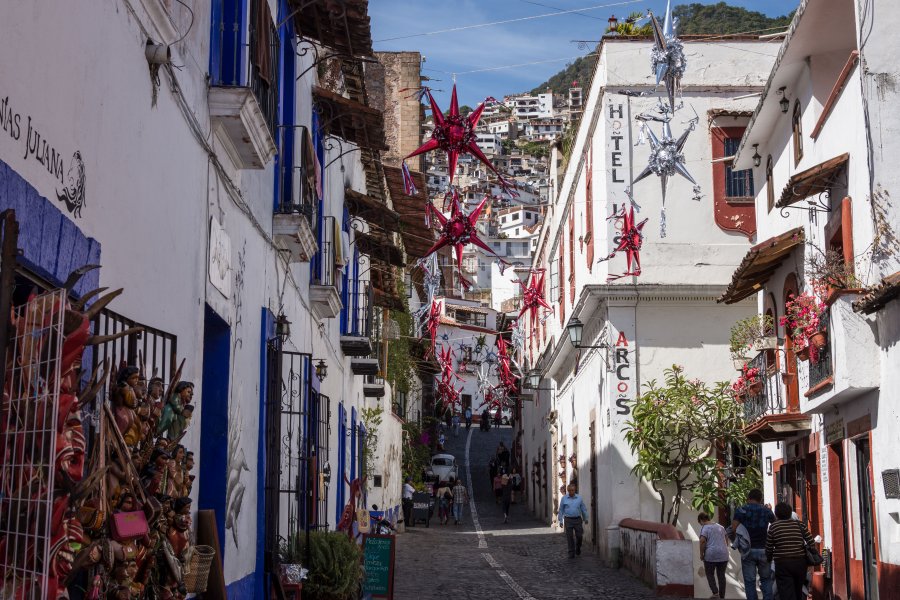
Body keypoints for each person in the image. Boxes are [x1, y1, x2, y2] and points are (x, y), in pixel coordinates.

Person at [731, 489, 775, 600]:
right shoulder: (766, 511)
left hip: (748, 550)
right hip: (764, 549)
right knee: (766, 579)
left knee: (750, 581)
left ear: (748, 497)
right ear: (760, 499)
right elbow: (775, 525)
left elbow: (734, 527)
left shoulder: (741, 510)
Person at [766, 502, 816, 600]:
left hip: (782, 563)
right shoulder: (800, 524)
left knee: (785, 592)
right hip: (800, 563)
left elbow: (769, 547)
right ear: (790, 513)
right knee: (798, 590)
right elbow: (811, 542)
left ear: (776, 514)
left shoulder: (774, 527)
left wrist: (768, 559)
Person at [698, 512, 729, 599]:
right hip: (723, 554)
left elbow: (702, 541)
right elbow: (726, 538)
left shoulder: (705, 528)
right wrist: (724, 547)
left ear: (701, 520)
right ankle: (722, 596)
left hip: (711, 555)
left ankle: (715, 593)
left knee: (710, 574)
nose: (700, 524)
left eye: (700, 523)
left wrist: (701, 554)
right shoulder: (720, 527)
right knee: (721, 575)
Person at [557, 483, 588, 558]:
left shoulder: (579, 498)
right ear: (568, 490)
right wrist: (560, 520)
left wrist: (585, 518)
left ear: (575, 490)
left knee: (579, 536)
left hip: (577, 519)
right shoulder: (564, 498)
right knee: (569, 537)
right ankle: (571, 552)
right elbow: (561, 510)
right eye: (570, 490)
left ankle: (578, 547)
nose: (571, 492)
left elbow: (583, 509)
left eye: (573, 490)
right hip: (568, 519)